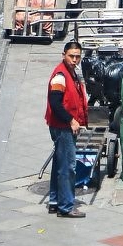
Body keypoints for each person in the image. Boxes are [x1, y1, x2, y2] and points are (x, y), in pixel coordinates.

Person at [45, 36, 89, 215]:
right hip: (62, 127)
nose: (75, 60)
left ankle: (55, 200)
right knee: (67, 167)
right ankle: (66, 206)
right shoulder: (60, 76)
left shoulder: (70, 73)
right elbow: (55, 103)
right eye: (71, 56)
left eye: (78, 56)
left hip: (64, 126)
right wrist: (71, 120)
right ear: (63, 55)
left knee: (59, 164)